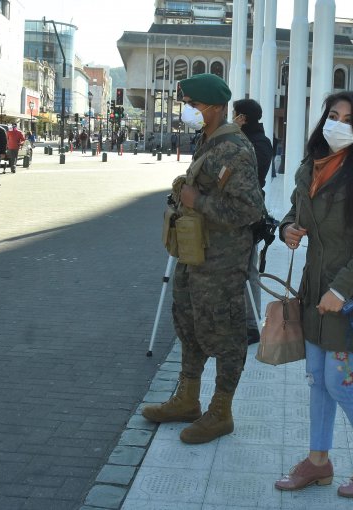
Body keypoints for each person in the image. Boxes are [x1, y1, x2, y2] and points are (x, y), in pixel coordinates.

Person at [276, 91, 353, 498]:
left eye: (348, 119)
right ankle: (318, 462)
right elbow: (296, 213)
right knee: (317, 381)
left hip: (351, 300)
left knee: (341, 383)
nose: (338, 124)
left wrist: (340, 289)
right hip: (315, 294)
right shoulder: (311, 168)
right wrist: (288, 229)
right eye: (333, 115)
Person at [141, 73, 265, 445]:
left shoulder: (233, 149)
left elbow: (250, 210)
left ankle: (221, 411)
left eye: (193, 105)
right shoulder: (209, 141)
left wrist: (199, 202)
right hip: (196, 255)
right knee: (189, 324)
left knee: (225, 334)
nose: (188, 111)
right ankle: (188, 399)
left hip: (222, 263)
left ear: (214, 107)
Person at [232, 98, 274, 345]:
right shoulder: (246, 139)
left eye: (235, 115)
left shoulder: (259, 143)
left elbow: (250, 175)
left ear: (243, 118)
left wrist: (234, 137)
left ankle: (251, 324)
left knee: (249, 268)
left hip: (249, 213)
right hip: (234, 210)